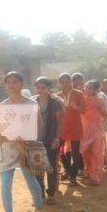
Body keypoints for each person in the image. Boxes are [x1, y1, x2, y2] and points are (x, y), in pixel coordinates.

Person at [0, 71, 45, 212]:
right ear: (5, 85)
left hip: (26, 148)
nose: (12, 85)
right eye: (8, 82)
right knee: (4, 185)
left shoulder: (31, 104)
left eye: (15, 82)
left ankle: (38, 208)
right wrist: (1, 137)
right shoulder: (2, 106)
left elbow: (38, 124)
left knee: (30, 180)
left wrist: (28, 140)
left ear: (21, 84)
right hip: (7, 150)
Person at [33, 77, 63, 205]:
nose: (41, 90)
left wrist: (57, 138)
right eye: (38, 87)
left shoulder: (56, 102)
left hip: (51, 139)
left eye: (43, 87)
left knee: (50, 166)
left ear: (49, 88)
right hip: (35, 140)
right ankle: (40, 194)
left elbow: (60, 122)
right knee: (38, 167)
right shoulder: (33, 101)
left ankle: (51, 194)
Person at [57, 73, 85, 186]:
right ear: (60, 83)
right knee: (60, 151)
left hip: (75, 126)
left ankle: (72, 177)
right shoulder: (57, 96)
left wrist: (76, 107)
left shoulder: (78, 94)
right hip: (61, 127)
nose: (65, 84)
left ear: (71, 81)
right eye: (63, 82)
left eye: (67, 82)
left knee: (76, 153)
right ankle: (68, 170)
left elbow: (83, 111)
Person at [80, 80, 107, 185]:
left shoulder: (100, 100)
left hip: (96, 130)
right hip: (84, 130)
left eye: (91, 88)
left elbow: (105, 115)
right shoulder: (82, 99)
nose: (88, 89)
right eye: (87, 87)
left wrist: (98, 107)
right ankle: (88, 171)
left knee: (96, 153)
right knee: (85, 153)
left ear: (96, 89)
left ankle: (96, 177)